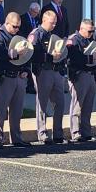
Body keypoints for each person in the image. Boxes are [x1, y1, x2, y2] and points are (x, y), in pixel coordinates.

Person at [0, 12, 32, 147]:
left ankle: (17, 138)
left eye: (19, 27)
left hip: (18, 77)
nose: (17, 29)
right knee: (0, 110)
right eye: (14, 26)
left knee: (17, 110)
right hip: (4, 76)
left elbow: (25, 56)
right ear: (7, 23)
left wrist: (25, 70)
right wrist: (14, 53)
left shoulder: (18, 36)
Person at [29, 10, 66, 144]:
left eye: (55, 23)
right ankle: (42, 133)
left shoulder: (52, 35)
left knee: (60, 102)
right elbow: (32, 54)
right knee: (42, 103)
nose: (54, 25)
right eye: (52, 22)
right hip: (43, 71)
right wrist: (49, 56)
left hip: (55, 71)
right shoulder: (36, 34)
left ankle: (58, 133)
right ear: (44, 20)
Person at [66, 19, 96, 142]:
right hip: (79, 74)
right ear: (81, 28)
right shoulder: (74, 39)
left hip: (90, 75)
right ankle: (75, 132)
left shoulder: (90, 39)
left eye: (93, 31)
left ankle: (86, 132)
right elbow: (73, 57)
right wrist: (89, 58)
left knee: (88, 106)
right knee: (77, 105)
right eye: (89, 31)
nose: (92, 33)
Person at [19, 2, 41, 94]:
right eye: (35, 12)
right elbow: (20, 32)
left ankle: (34, 85)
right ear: (30, 10)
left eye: (37, 12)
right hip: (26, 44)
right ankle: (29, 86)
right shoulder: (23, 18)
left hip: (35, 46)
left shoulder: (37, 19)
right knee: (27, 65)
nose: (36, 14)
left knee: (34, 65)